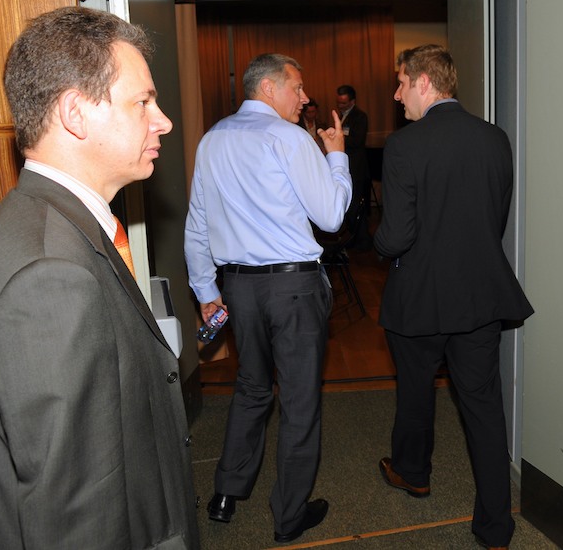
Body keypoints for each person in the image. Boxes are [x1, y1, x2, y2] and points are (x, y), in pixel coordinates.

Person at [0, 7, 199, 548]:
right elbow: (74, 517)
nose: (162, 121)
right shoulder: (51, 275)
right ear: (75, 114)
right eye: (142, 102)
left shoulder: (40, 223)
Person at [184, 53, 351, 543]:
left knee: (252, 388)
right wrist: (337, 156)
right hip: (293, 288)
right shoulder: (288, 137)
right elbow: (331, 217)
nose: (305, 97)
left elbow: (198, 225)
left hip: (238, 287)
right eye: (297, 87)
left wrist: (206, 291)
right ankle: (289, 515)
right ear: (268, 88)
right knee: (298, 400)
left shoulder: (212, 139)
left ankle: (225, 493)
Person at [374, 44, 534, 550]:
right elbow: (493, 219)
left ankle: (413, 473)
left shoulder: (404, 146)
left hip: (418, 297)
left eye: (401, 83)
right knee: (483, 408)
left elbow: (396, 236)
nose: (397, 95)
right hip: (480, 296)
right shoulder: (495, 139)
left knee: (415, 393)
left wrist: (374, 243)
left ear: (423, 82)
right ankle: (496, 529)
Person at [335, 84, 371, 250]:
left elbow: (357, 141)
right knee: (348, 206)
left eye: (343, 103)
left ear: (352, 102)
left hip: (356, 169)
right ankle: (353, 238)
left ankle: (362, 241)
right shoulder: (341, 116)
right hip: (347, 168)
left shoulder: (360, 116)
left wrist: (337, 137)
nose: (340, 106)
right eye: (338, 102)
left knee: (356, 206)